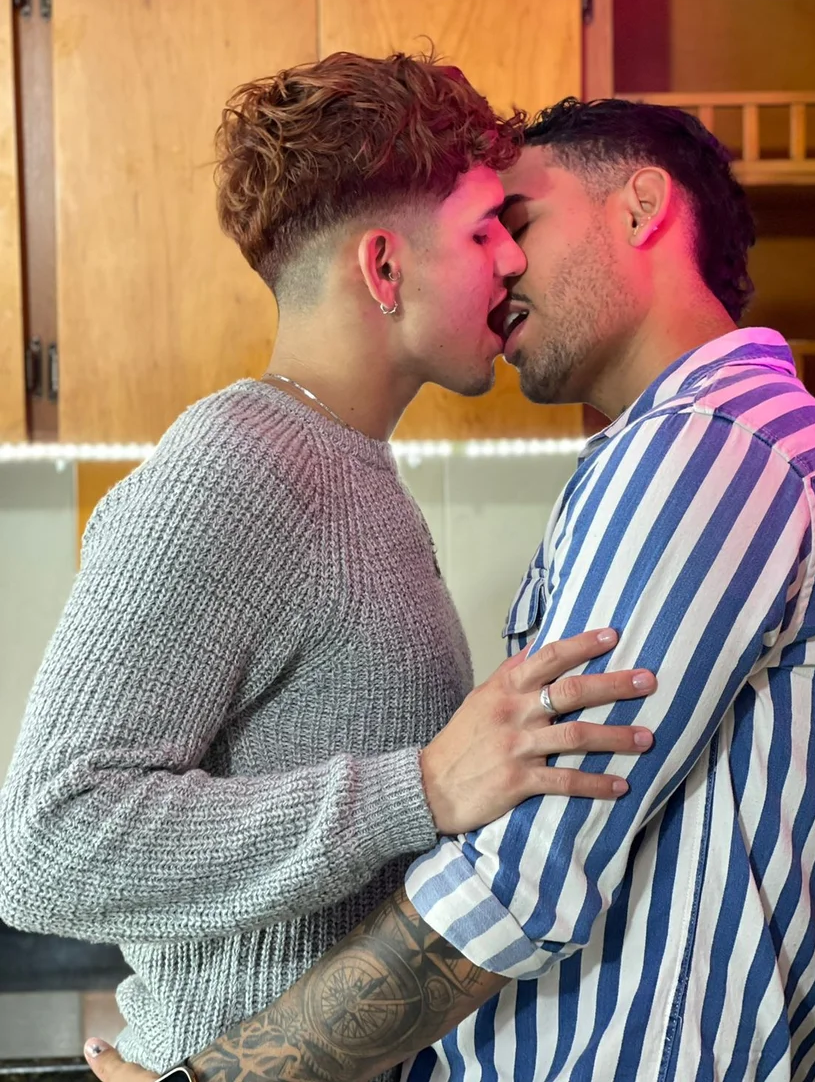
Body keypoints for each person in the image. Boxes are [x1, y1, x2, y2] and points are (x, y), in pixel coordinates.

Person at [81, 96, 815, 1082]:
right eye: (482, 232)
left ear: (640, 207)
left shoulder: (707, 448)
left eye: (519, 220)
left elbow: (520, 872)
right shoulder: (708, 445)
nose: (501, 265)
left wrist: (214, 1081)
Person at [0, 57, 661, 1074]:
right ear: (384, 269)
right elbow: (48, 843)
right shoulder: (234, 469)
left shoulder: (352, 470)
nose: (510, 259)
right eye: (482, 230)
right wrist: (418, 786)